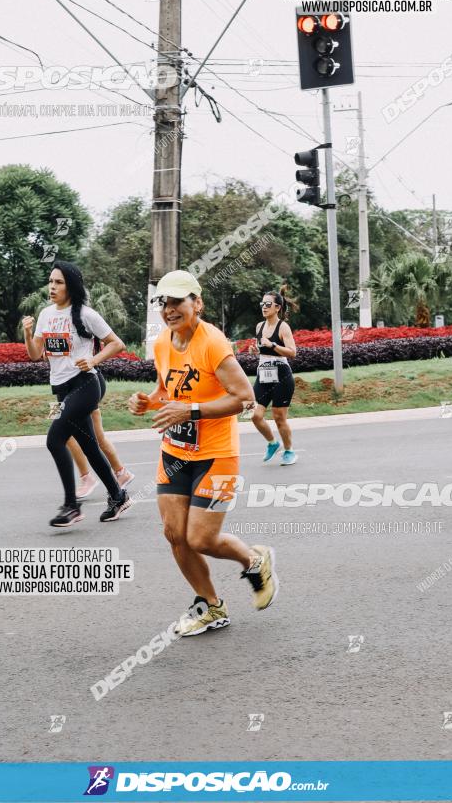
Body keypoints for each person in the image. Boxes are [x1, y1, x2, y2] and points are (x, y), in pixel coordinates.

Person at [128, 270, 279, 637]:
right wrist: (148, 402)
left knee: (201, 539)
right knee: (174, 534)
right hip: (176, 450)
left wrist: (191, 411)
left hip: (217, 455)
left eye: (177, 302)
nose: (170, 310)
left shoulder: (212, 343)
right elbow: (168, 389)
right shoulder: (163, 342)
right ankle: (211, 605)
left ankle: (254, 560)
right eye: (164, 303)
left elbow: (245, 398)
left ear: (197, 303)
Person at [22, 260, 131, 527]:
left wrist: (93, 361)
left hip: (85, 384)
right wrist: (27, 333)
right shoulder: (46, 315)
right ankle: (118, 496)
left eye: (58, 282)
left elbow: (116, 343)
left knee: (54, 439)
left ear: (70, 285)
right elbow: (35, 355)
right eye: (50, 281)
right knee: (89, 446)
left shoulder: (85, 314)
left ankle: (71, 506)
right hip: (60, 388)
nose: (52, 286)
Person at [68, 356, 135, 497]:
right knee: (66, 434)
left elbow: (114, 344)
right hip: (63, 387)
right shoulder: (48, 335)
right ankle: (118, 473)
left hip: (84, 383)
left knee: (87, 436)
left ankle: (103, 477)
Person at [251, 289, 298, 465]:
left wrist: (272, 344)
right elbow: (263, 351)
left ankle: (289, 450)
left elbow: (292, 352)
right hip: (263, 374)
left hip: (281, 375)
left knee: (279, 417)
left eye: (268, 304)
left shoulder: (283, 327)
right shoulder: (259, 326)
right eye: (262, 304)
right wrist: (256, 350)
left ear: (277, 307)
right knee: (253, 414)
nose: (264, 307)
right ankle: (272, 443)